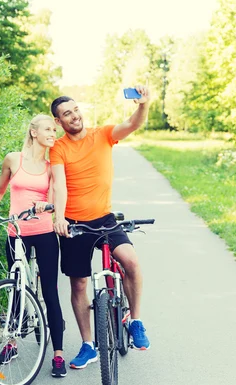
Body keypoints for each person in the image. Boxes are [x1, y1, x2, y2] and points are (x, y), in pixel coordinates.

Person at [49, 85, 151, 369]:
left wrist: (143, 104)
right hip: (73, 222)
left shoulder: (102, 134)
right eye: (66, 114)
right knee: (79, 283)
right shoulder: (58, 148)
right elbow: (59, 184)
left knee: (130, 261)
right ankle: (88, 344)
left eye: (75, 110)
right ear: (59, 122)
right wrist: (59, 217)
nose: (74, 116)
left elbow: (133, 123)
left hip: (104, 218)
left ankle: (136, 320)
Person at [0, 114, 66, 378]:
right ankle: (11, 342)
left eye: (54, 130)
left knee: (49, 292)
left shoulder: (51, 166)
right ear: (34, 132)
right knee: (15, 287)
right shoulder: (13, 159)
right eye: (48, 129)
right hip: (16, 232)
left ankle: (58, 354)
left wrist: (46, 205)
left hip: (44, 232)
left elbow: (54, 197)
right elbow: (0, 191)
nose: (53, 133)